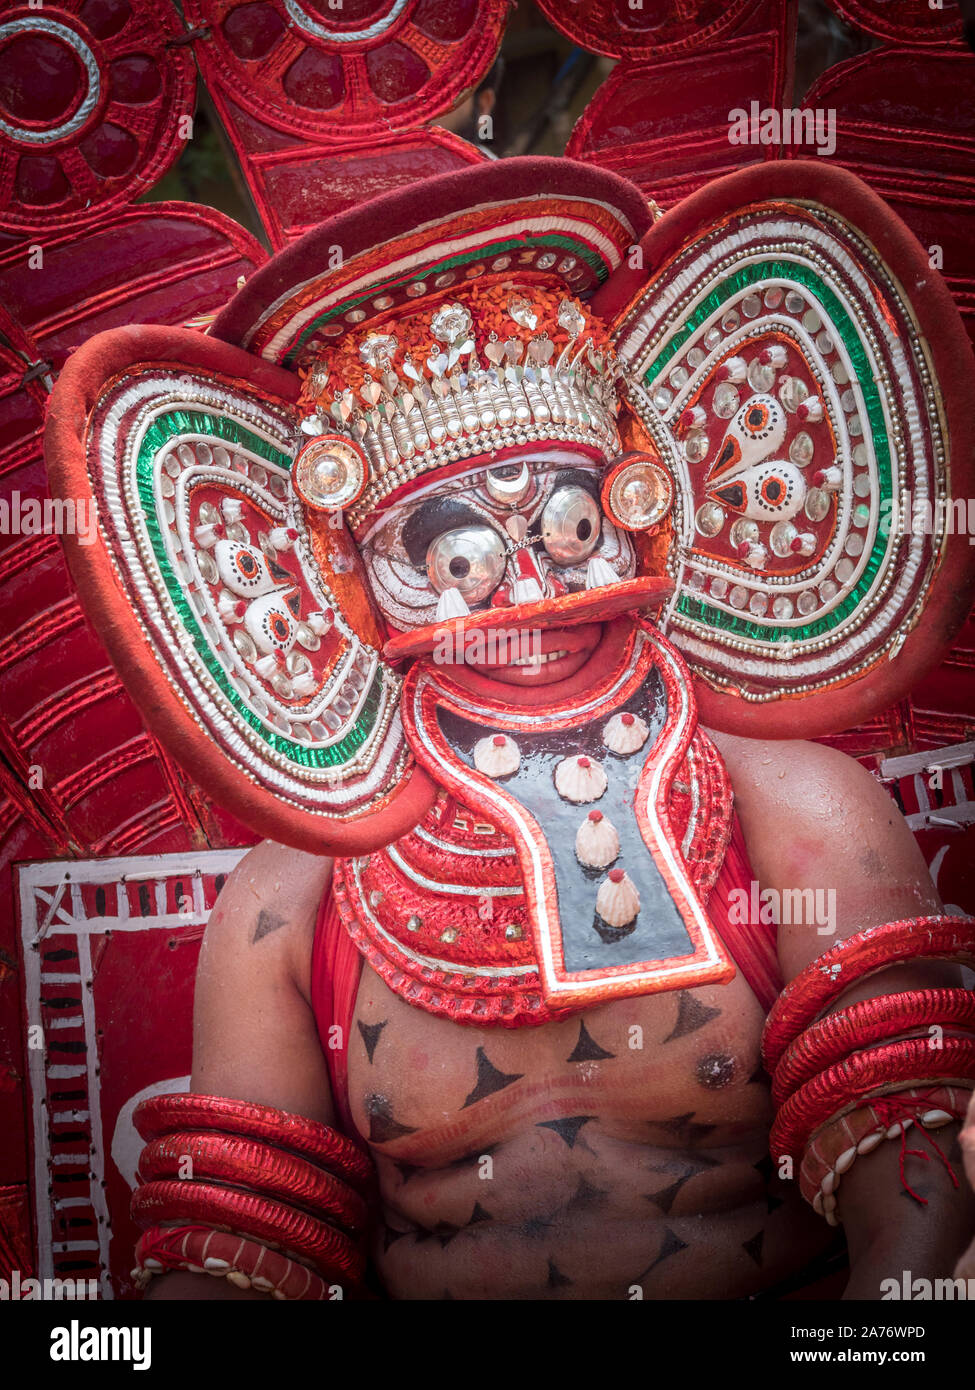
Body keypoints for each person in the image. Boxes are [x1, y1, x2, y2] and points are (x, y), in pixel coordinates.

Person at [46, 156, 975, 1301]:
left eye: (573, 526)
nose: (524, 596)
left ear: (644, 520)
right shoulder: (286, 906)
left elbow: (915, 1191)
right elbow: (245, 1257)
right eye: (455, 561)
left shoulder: (799, 811)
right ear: (346, 587)